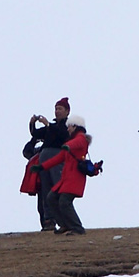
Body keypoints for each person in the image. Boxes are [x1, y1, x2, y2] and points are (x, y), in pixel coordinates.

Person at [32, 115, 92, 235]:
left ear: (75, 126)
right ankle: (64, 225)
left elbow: (77, 143)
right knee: (51, 198)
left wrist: (68, 146)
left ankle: (77, 228)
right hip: (67, 178)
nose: (68, 129)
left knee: (64, 201)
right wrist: (42, 166)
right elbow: (58, 158)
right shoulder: (71, 141)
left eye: (69, 127)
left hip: (75, 178)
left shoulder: (80, 138)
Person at [28, 97, 71, 231]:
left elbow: (62, 136)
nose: (57, 111)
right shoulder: (51, 127)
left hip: (57, 158)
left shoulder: (68, 126)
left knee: (58, 187)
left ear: (67, 111)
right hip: (44, 158)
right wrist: (32, 124)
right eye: (56, 109)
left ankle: (65, 219)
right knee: (46, 188)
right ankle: (49, 220)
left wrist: (48, 125)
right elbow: (35, 133)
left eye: (60, 109)